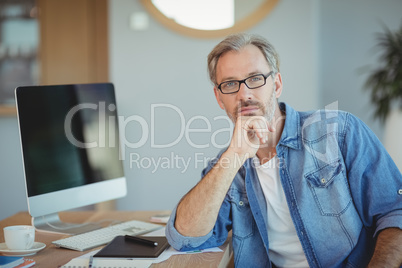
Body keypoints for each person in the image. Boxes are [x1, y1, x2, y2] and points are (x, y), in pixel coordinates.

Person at [165, 33, 402, 267]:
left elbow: (395, 212)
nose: (244, 94)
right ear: (219, 98)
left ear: (276, 84)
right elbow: (185, 238)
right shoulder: (228, 165)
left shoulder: (339, 131)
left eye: (255, 78)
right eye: (230, 84)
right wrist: (234, 156)